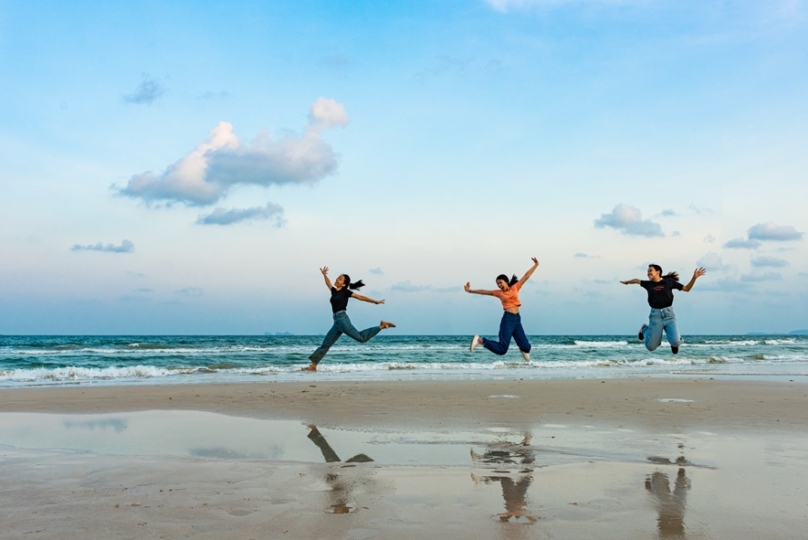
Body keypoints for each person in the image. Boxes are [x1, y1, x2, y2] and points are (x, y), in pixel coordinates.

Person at [303, 266, 395, 371]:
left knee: (361, 338)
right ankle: (313, 366)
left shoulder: (345, 292)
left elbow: (360, 297)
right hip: (336, 322)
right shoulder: (334, 292)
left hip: (342, 319)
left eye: (340, 279)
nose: (337, 279)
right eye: (338, 278)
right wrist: (324, 274)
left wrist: (375, 301)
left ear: (344, 284)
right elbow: (328, 283)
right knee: (325, 344)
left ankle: (381, 326)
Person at [465, 257, 539, 361]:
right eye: (498, 284)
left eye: (501, 282)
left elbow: (527, 275)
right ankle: (480, 340)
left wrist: (536, 264)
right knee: (502, 349)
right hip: (508, 320)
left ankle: (523, 348)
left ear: (506, 281)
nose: (499, 285)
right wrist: (470, 291)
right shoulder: (499, 293)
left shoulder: (515, 287)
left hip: (517, 320)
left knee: (527, 348)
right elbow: (483, 291)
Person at [621, 265, 706, 354]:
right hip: (655, 317)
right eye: (647, 271)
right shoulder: (648, 284)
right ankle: (645, 329)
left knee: (676, 341)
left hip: (669, 315)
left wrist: (694, 277)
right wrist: (627, 282)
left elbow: (687, 289)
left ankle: (674, 344)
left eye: (650, 271)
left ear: (658, 272)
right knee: (651, 347)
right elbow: (637, 280)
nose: (648, 273)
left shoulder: (668, 282)